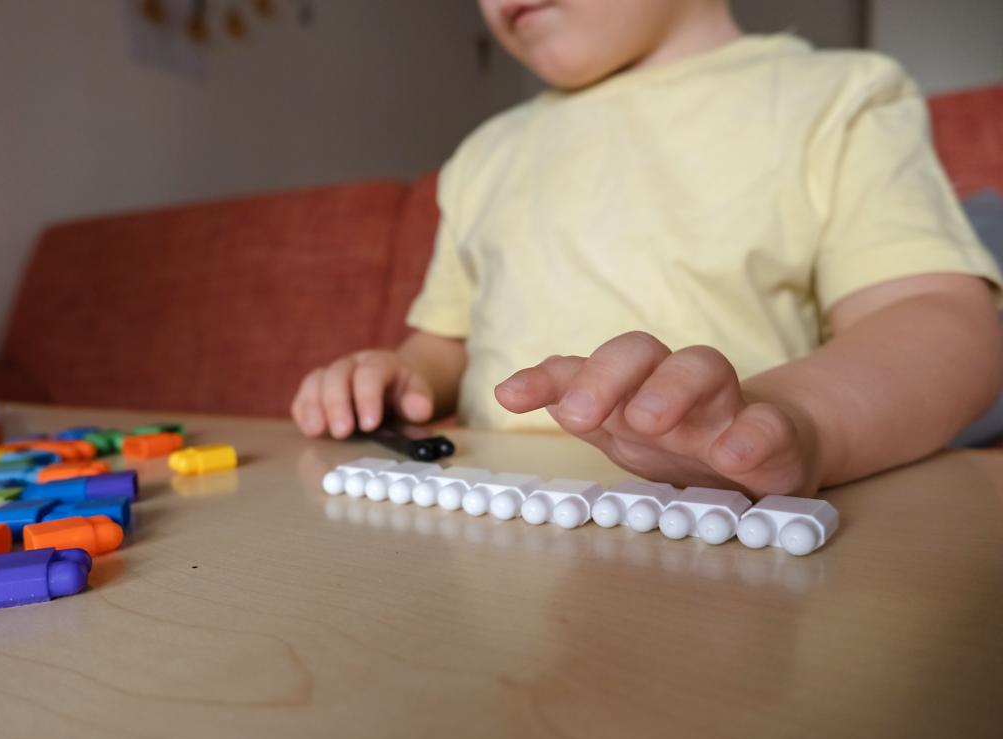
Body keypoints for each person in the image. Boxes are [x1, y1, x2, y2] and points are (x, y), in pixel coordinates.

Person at [291, 0, 1002, 497]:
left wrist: (795, 422)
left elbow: (939, 319)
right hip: (490, 518)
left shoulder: (835, 97)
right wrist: (397, 376)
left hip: (723, 526)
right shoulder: (484, 155)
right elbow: (442, 346)